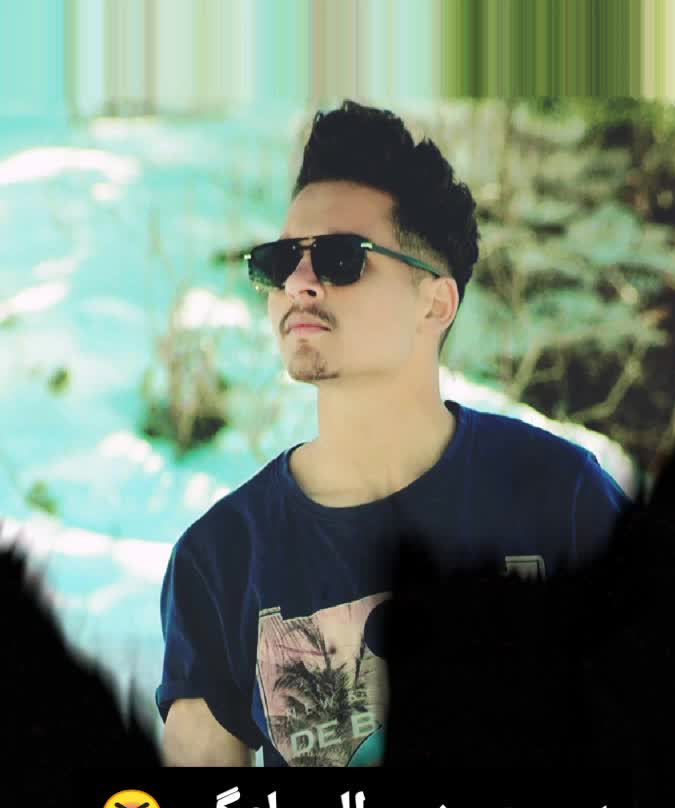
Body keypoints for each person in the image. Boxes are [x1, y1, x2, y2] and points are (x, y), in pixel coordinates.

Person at [156, 99, 629, 768]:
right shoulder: (223, 559)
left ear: (434, 302)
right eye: (281, 260)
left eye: (341, 258)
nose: (300, 283)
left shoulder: (562, 499)